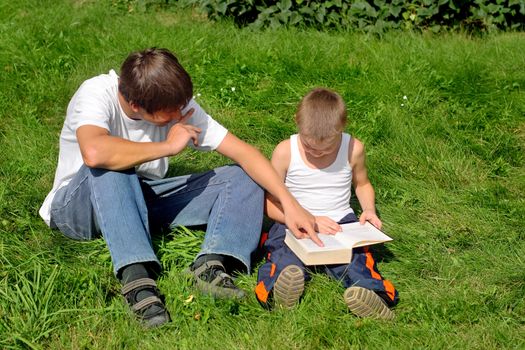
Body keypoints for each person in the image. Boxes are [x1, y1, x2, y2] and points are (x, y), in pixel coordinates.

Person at [39, 48, 318, 328]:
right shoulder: (96, 93)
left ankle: (212, 262)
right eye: (169, 112)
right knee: (112, 163)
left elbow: (244, 152)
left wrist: (289, 203)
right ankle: (138, 280)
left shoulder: (174, 104)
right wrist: (168, 147)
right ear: (136, 105)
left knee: (241, 175)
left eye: (181, 106)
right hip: (77, 209)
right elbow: (93, 153)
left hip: (137, 198)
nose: (178, 115)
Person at [255, 87, 399, 320]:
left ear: (342, 127)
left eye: (327, 148)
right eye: (310, 147)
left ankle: (373, 296)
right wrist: (306, 220)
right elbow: (269, 203)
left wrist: (369, 210)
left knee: (356, 260)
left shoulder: (353, 149)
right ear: (297, 124)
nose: (318, 153)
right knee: (283, 255)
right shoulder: (285, 151)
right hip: (294, 221)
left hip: (341, 223)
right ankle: (277, 292)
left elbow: (362, 184)